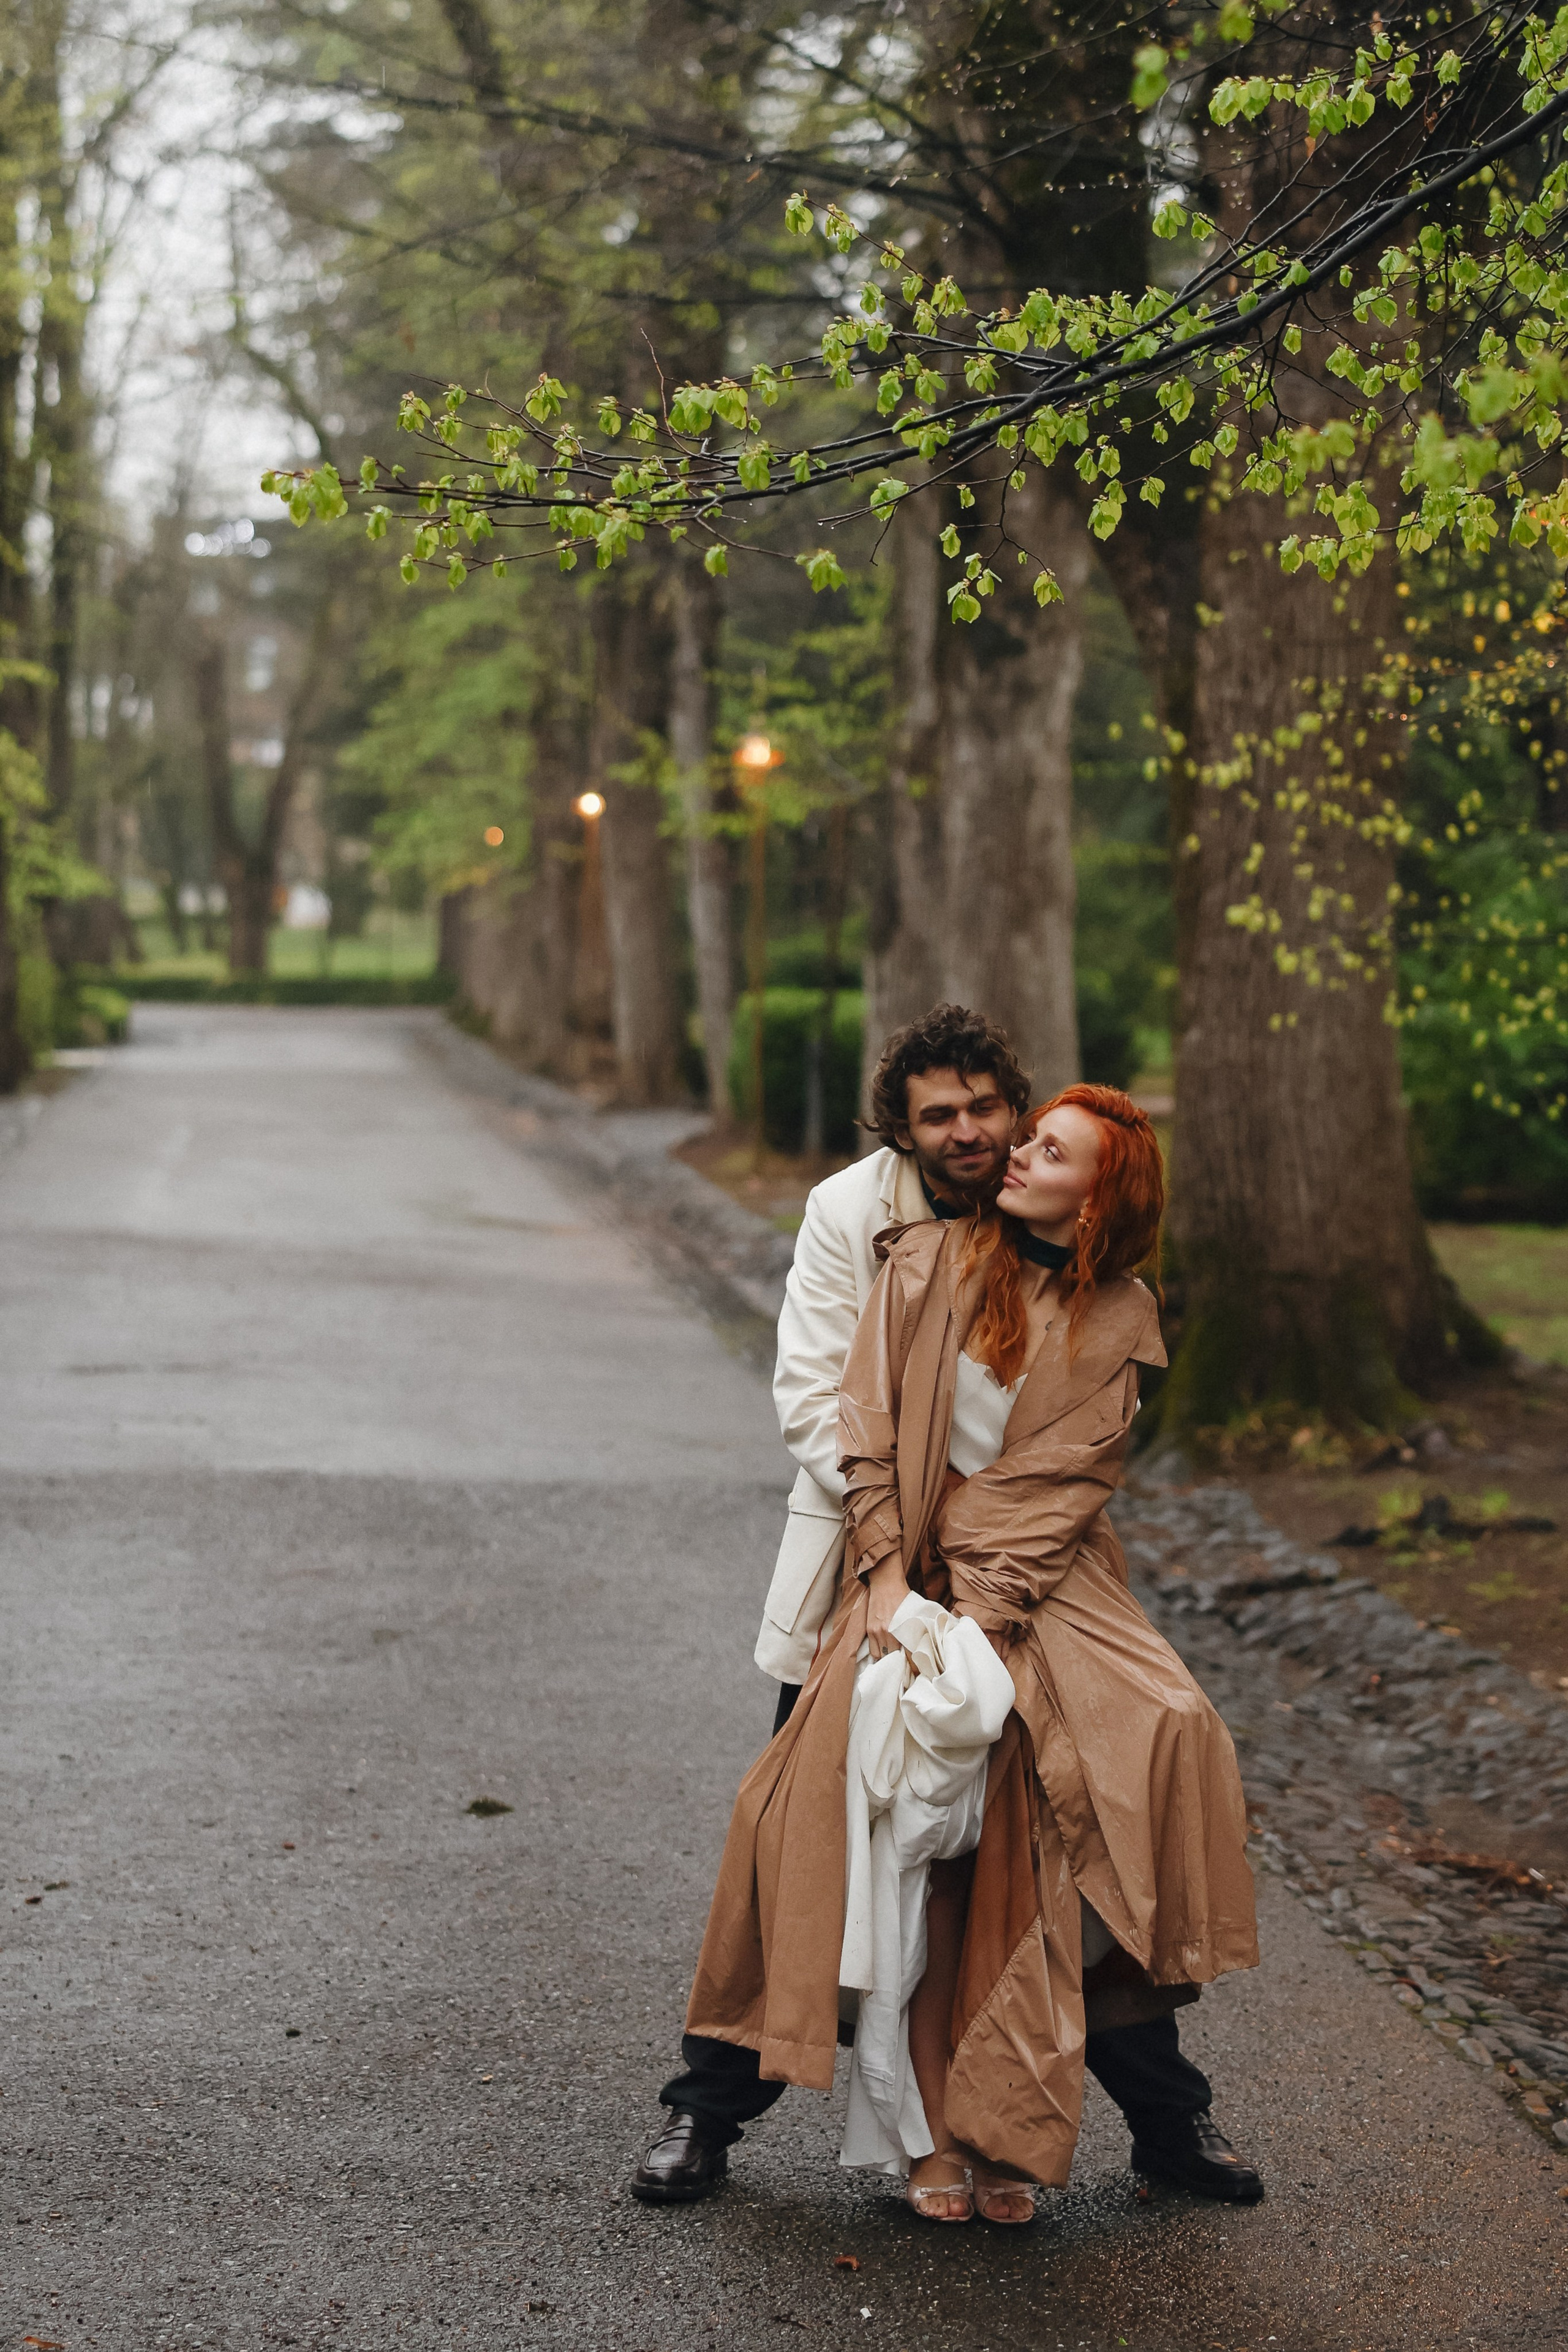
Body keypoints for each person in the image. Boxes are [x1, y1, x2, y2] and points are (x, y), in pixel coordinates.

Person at [631, 1012, 1262, 2212]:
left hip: (1034, 1571)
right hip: (868, 1560)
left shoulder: (1085, 1271)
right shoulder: (857, 1222)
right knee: (797, 1821)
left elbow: (1076, 1448)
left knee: (1078, 1821)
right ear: (902, 1127)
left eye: (989, 1111)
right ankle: (705, 2110)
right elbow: (820, 1402)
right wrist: (898, 1555)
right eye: (940, 1116)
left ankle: (1164, 2120)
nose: (972, 1134)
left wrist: (986, 1565)